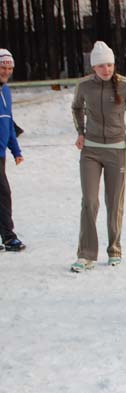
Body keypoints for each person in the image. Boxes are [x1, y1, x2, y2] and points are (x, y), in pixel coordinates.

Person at [70, 41, 126, 271]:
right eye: (102, 65)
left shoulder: (123, 84)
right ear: (94, 67)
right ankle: (86, 254)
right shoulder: (84, 85)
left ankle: (114, 248)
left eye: (110, 65)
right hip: (91, 151)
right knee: (90, 202)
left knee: (114, 203)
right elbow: (76, 107)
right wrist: (80, 132)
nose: (107, 69)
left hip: (117, 150)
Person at [0, 48, 26, 252]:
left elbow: (8, 124)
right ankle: (9, 237)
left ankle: (7, 236)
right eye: (3, 67)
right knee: (3, 193)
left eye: (9, 68)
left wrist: (15, 151)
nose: (6, 71)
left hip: (1, 154)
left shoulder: (6, 91)